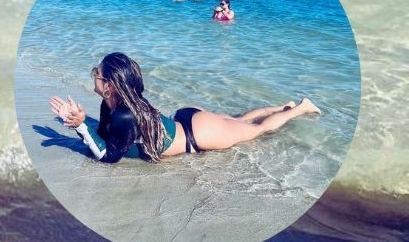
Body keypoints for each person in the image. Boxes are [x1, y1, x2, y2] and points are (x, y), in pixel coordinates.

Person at [48, 52, 320, 162]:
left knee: (256, 130)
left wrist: (80, 126)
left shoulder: (123, 113)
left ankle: (299, 108)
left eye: (96, 73)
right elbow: (108, 137)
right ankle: (282, 106)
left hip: (197, 135)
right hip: (187, 120)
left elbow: (109, 157)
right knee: (238, 120)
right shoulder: (114, 104)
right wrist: (80, 120)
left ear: (109, 86)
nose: (93, 75)